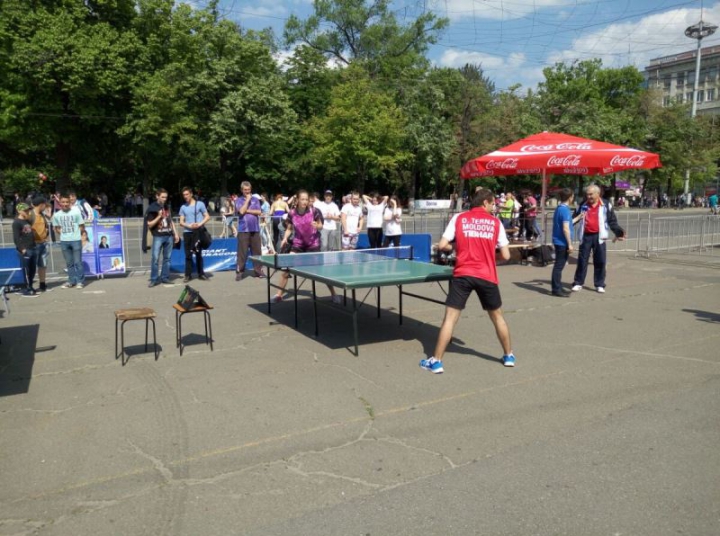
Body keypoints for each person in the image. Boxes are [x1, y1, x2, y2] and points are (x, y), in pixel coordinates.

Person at [421, 188, 515, 374]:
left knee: (450, 319)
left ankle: (436, 361)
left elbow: (442, 245)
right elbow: (505, 255)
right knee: (497, 317)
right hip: (487, 275)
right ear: (485, 203)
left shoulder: (459, 218)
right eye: (493, 203)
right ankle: (509, 356)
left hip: (463, 274)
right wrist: (487, 256)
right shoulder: (496, 223)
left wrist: (458, 246)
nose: (494, 207)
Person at [271, 190, 340, 304]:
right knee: (286, 269)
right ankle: (279, 295)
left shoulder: (314, 211)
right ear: (297, 200)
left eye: (306, 199)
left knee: (323, 272)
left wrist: (317, 225)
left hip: (313, 245)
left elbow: (321, 226)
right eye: (302, 199)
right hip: (298, 244)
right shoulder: (292, 213)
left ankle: (333, 293)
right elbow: (289, 228)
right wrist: (284, 239)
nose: (305, 201)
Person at [571, 185, 625, 294]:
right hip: (585, 236)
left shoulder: (606, 204)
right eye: (587, 194)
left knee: (600, 261)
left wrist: (619, 232)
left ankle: (600, 284)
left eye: (591, 194)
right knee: (582, 260)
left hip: (599, 237)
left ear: (598, 194)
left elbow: (612, 221)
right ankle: (578, 283)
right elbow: (574, 218)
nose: (588, 196)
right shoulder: (582, 204)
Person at [551, 188, 585, 297]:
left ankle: (558, 287)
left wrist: (578, 217)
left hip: (558, 240)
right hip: (562, 242)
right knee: (559, 266)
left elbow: (569, 223)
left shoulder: (559, 208)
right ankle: (556, 289)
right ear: (570, 197)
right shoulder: (565, 210)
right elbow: (566, 228)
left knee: (558, 266)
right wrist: (569, 244)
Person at [145, 188, 180, 287]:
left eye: (166, 197)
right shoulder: (152, 208)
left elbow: (170, 221)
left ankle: (165, 277)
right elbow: (149, 224)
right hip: (158, 236)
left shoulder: (167, 207)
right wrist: (159, 216)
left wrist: (176, 233)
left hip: (168, 236)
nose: (164, 199)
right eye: (162, 197)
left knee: (167, 259)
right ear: (157, 196)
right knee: (155, 259)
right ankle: (154, 279)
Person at [52, 192, 86, 289]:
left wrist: (75, 234)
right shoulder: (57, 215)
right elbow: (57, 228)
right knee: (69, 263)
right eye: (63, 202)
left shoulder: (76, 212)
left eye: (67, 202)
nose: (65, 204)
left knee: (78, 262)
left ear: (70, 203)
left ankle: (80, 281)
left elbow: (82, 226)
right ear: (60, 203)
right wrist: (63, 234)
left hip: (75, 240)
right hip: (64, 241)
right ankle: (71, 281)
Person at [178, 186, 210, 283]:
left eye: (187, 194)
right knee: (188, 255)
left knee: (198, 253)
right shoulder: (183, 207)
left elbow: (207, 216)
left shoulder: (199, 204)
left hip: (198, 232)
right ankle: (188, 275)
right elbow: (181, 222)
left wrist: (199, 224)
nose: (185, 196)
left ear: (191, 194)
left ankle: (201, 273)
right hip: (187, 233)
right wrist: (189, 225)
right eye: (184, 195)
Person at [235, 181, 265, 281]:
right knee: (242, 252)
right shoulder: (238, 200)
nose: (247, 192)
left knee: (257, 251)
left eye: (249, 190)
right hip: (243, 229)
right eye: (245, 190)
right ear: (242, 190)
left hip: (255, 228)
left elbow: (259, 212)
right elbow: (241, 211)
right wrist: (247, 201)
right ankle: (240, 271)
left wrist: (248, 211)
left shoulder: (256, 200)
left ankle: (258, 270)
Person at [12, 203, 39, 297]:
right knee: (26, 269)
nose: (28, 212)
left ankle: (31, 286)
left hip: (33, 247)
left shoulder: (27, 221)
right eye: (25, 210)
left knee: (32, 269)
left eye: (28, 210)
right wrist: (22, 248)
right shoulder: (17, 222)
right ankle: (26, 288)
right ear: (19, 211)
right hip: (25, 248)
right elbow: (16, 238)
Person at [29, 196, 51, 292]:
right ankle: (29, 285)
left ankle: (42, 284)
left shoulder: (42, 215)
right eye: (44, 205)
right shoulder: (30, 215)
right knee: (32, 266)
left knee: (43, 265)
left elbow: (46, 227)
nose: (45, 207)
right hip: (34, 244)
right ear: (41, 205)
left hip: (43, 243)